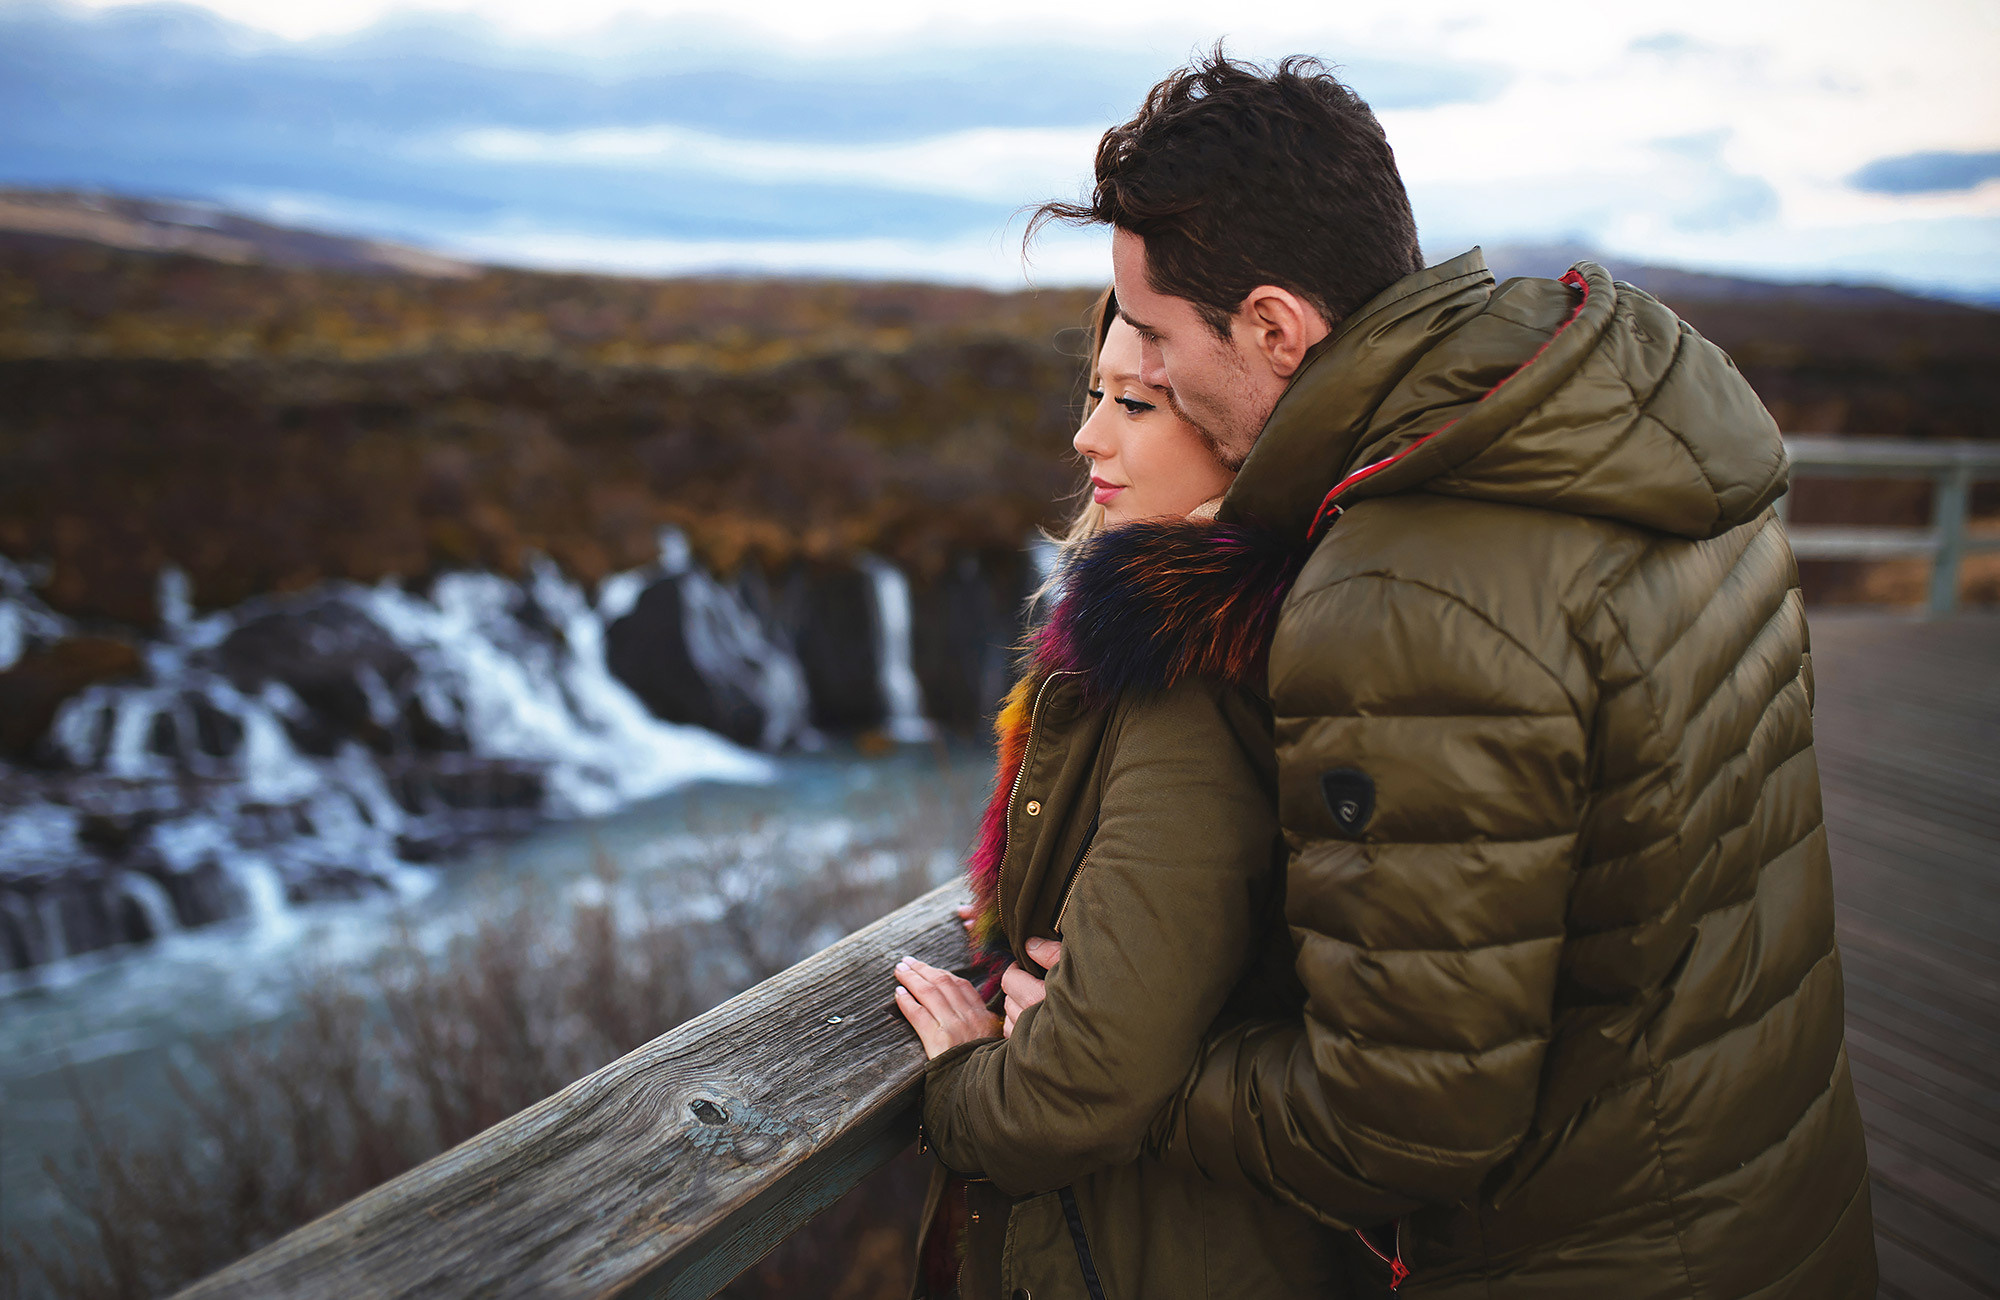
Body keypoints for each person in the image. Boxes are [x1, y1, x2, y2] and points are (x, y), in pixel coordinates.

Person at [1000, 49, 1878, 1299]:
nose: (1141, 372)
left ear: (1270, 326)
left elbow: (1401, 1122)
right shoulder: (1611, 432)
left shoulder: (1398, 590)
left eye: (1149, 334)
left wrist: (1112, 1069)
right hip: (1770, 1194)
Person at [891, 288, 1370, 1300]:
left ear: (1252, 439)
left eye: (1137, 405)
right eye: (1095, 393)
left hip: (1150, 1253)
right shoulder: (1250, 632)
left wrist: (962, 1084)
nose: (1085, 433)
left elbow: (1070, 1093)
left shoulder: (1188, 679)